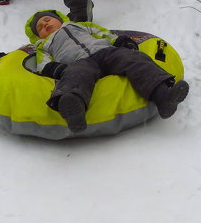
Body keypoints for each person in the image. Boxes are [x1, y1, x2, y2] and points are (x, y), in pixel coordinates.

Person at [26, 9, 190, 133]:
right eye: (40, 27)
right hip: (78, 62)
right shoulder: (43, 46)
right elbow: (42, 63)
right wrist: (55, 68)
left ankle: (163, 96)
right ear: (38, 36)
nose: (45, 25)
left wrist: (120, 41)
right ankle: (73, 109)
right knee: (74, 76)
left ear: (59, 19)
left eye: (47, 20)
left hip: (105, 52)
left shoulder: (81, 26)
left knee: (133, 59)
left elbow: (102, 33)